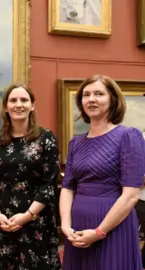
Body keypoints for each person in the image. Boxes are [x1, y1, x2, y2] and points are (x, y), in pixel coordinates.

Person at [59, 74, 145, 270]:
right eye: (86, 94)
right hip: (78, 227)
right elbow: (67, 188)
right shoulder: (76, 143)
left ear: (113, 99)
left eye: (99, 94)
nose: (91, 99)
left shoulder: (128, 136)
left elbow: (131, 195)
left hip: (113, 227)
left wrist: (99, 232)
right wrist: (65, 226)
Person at [0, 83, 62, 269]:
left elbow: (49, 184)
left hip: (36, 220)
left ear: (32, 105)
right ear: (5, 106)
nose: (18, 104)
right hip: (4, 220)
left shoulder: (46, 138)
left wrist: (27, 216)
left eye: (24, 100)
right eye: (13, 100)